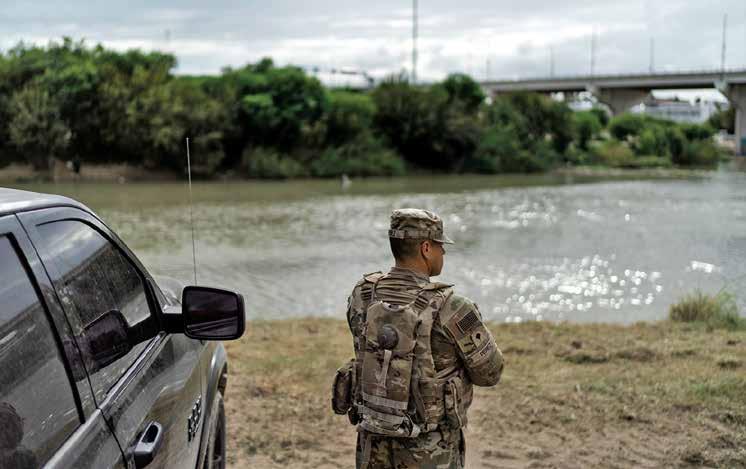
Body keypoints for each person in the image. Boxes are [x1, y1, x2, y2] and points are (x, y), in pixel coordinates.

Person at [335, 208, 504, 469]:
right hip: (432, 451)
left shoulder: (363, 294)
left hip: (372, 445)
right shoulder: (453, 307)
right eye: (439, 245)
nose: (443, 252)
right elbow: (490, 373)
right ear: (426, 248)